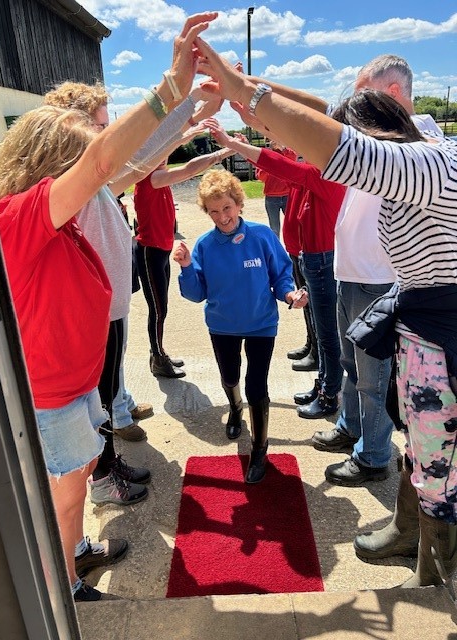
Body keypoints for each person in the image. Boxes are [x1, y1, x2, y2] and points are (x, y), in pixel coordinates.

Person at [196, 40, 457, 588]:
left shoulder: (423, 163)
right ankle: (416, 536)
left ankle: (441, 574)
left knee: (440, 463)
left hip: (442, 330)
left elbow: (336, 145)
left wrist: (243, 89)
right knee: (424, 446)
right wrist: (247, 94)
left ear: (385, 105)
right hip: (422, 323)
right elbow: (324, 114)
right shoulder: (416, 145)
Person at [0, 11, 217, 603]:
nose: (102, 150)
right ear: (52, 159)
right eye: (89, 140)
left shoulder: (58, 212)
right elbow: (106, 163)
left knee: (75, 483)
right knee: (62, 497)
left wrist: (187, 112)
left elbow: (125, 165)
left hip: (72, 384)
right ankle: (63, 585)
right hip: (53, 392)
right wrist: (172, 88)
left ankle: (76, 551)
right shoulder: (23, 215)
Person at [311, 55, 444, 488]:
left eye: (360, 94)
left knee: (372, 378)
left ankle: (372, 456)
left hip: (376, 278)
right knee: (353, 366)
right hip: (350, 273)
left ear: (389, 94)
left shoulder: (419, 144)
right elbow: (321, 115)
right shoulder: (381, 138)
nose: (353, 106)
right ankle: (351, 428)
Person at [43, 81, 152, 504]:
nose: (107, 133)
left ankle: (109, 461)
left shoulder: (94, 183)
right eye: (101, 125)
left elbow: (140, 164)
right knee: (100, 396)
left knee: (106, 394)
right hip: (97, 311)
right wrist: (183, 100)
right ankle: (104, 477)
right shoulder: (74, 180)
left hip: (111, 306)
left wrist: (191, 118)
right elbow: (132, 152)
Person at [173, 168, 307, 483]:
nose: (222, 216)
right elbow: (196, 294)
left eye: (227, 208)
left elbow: (280, 276)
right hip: (222, 326)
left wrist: (289, 294)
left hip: (261, 324)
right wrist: (186, 267)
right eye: (214, 211)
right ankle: (235, 409)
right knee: (229, 376)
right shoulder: (204, 245)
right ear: (207, 212)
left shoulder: (262, 236)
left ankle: (260, 448)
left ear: (239, 203)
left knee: (256, 385)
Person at [205, 121, 345, 419]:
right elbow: (281, 167)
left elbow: (278, 165)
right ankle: (324, 384)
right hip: (313, 258)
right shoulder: (316, 171)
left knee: (329, 334)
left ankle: (330, 393)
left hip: (323, 260)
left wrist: (233, 144)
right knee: (322, 331)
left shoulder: (322, 172)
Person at [134, 139, 236, 379]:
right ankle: (158, 358)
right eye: (156, 155)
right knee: (158, 310)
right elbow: (190, 169)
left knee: (162, 308)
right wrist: (223, 152)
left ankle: (158, 351)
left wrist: (189, 133)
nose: (163, 158)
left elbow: (171, 143)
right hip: (150, 252)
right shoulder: (152, 178)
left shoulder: (159, 173)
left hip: (160, 251)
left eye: (164, 154)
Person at [255, 139, 295, 238]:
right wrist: (269, 163)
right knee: (274, 228)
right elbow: (260, 177)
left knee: (292, 225)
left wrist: (283, 148)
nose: (273, 141)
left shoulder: (287, 152)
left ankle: (295, 250)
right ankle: (276, 250)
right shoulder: (265, 155)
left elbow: (293, 159)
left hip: (287, 195)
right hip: (272, 197)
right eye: (270, 140)